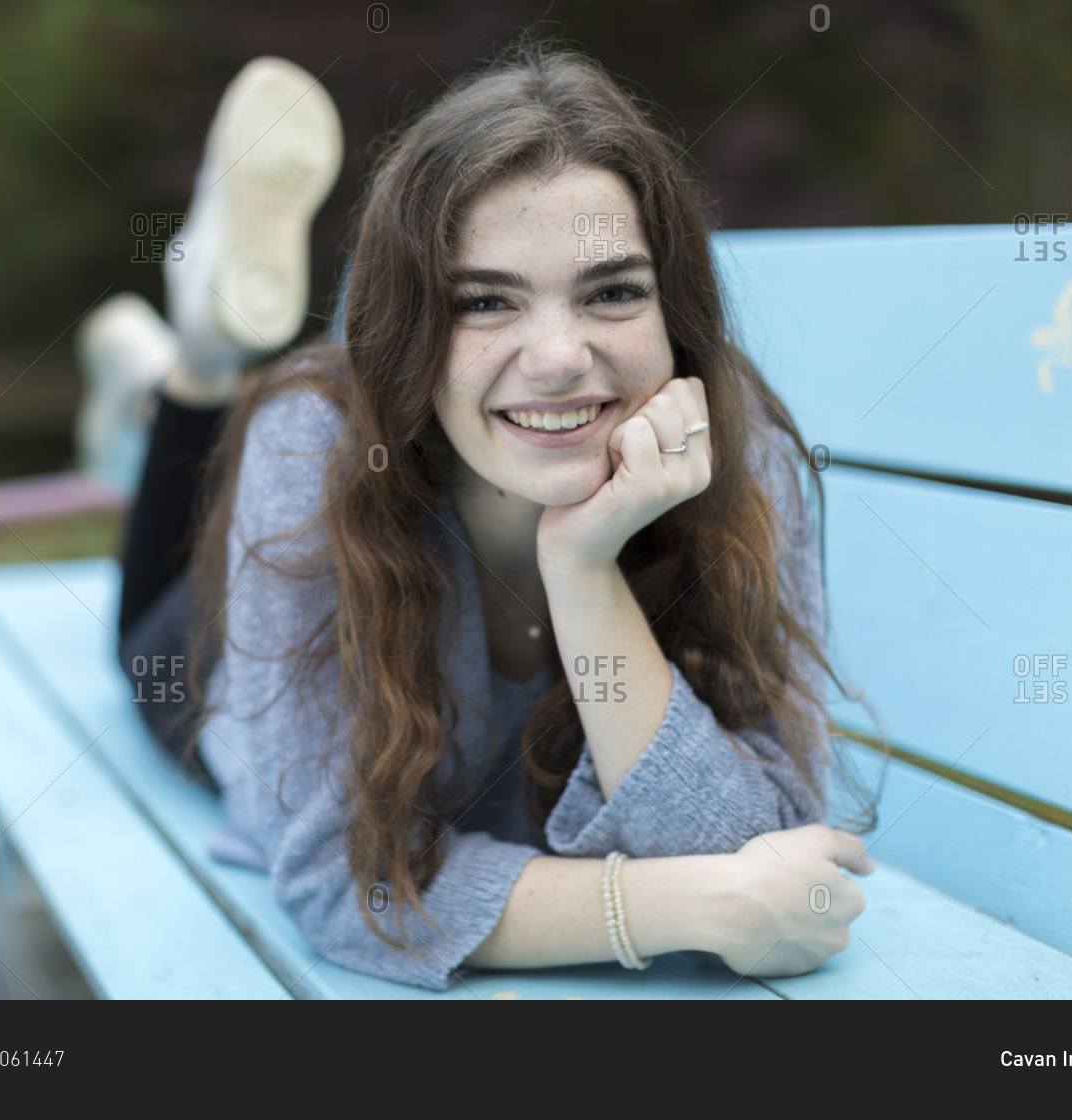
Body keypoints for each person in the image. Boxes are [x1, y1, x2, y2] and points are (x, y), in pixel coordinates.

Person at [117, 44, 873, 991]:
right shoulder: (312, 444)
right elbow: (342, 881)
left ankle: (170, 358)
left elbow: (754, 844)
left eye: (612, 291)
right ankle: (196, 347)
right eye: (483, 301)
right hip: (223, 657)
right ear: (409, 334)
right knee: (141, 639)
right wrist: (687, 907)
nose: (558, 357)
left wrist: (586, 569)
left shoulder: (734, 446)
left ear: (674, 314)